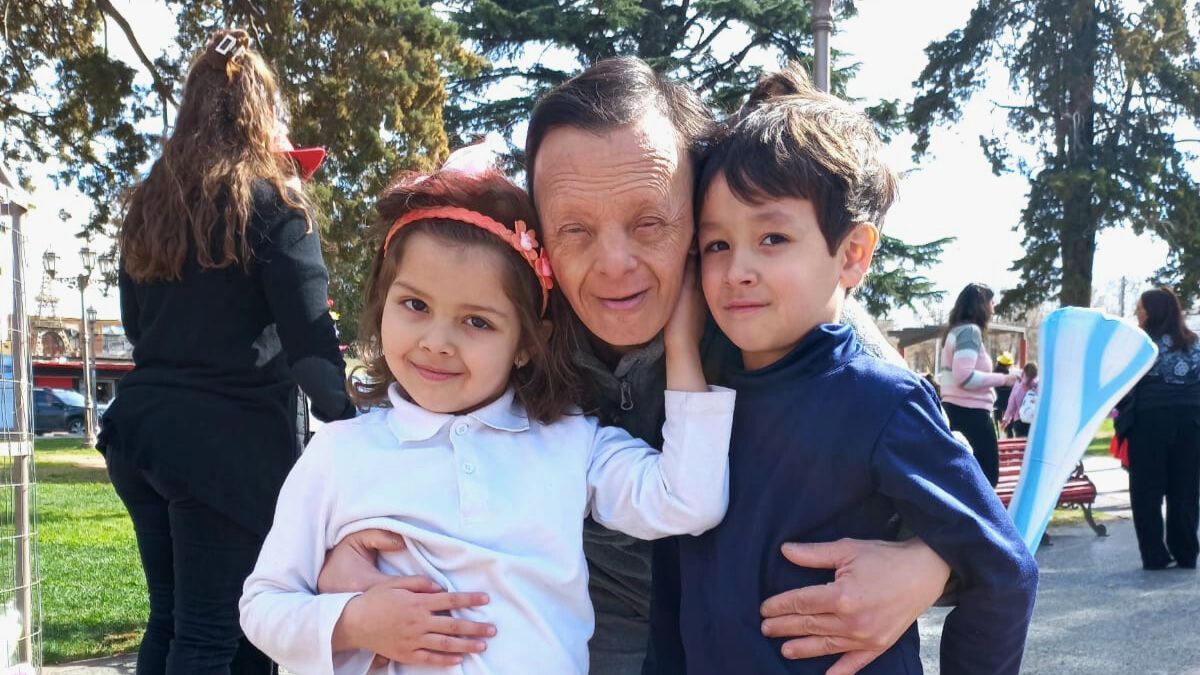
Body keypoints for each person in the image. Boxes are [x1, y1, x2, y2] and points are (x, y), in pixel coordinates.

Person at [318, 57, 955, 675]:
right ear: (538, 237)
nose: (614, 264)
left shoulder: (780, 320)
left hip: (764, 645)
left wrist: (927, 567)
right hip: (574, 643)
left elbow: (955, 483)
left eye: (650, 221)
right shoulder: (506, 328)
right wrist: (345, 560)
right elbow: (404, 447)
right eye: (574, 229)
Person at [239, 165, 736, 673]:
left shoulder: (571, 444)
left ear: (526, 342)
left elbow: (686, 502)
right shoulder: (339, 453)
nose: (437, 340)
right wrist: (356, 622)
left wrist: (681, 345)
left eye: (476, 321)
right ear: (381, 304)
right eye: (415, 304)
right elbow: (263, 606)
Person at [665, 64, 1037, 674]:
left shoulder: (882, 402)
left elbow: (1004, 570)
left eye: (773, 239)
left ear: (853, 254)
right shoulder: (694, 397)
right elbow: (673, 598)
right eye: (716, 245)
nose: (737, 270)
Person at [100, 29, 355, 674]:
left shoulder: (151, 209)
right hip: (225, 445)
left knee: (172, 618)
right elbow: (310, 346)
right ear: (264, 113)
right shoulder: (273, 204)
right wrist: (358, 433)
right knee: (216, 633)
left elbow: (137, 329)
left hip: (141, 432)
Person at [1123, 287, 1200, 570]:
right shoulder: (1194, 344)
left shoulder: (1141, 346)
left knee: (1146, 491)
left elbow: (1123, 385)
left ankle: (1155, 554)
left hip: (1149, 421)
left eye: (1140, 309)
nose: (1137, 314)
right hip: (1191, 423)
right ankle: (1186, 551)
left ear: (1152, 312)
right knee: (1186, 488)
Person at [938, 283, 1020, 486]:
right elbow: (964, 377)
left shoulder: (955, 332)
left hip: (956, 413)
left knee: (964, 483)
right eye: (991, 301)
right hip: (972, 417)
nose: (994, 307)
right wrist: (1004, 379)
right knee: (986, 480)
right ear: (981, 304)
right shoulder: (970, 332)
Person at [1003, 362, 1039, 438]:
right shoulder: (1039, 387)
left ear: (1023, 372)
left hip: (1019, 421)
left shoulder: (1018, 387)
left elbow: (1011, 406)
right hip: (1034, 420)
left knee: (1022, 447)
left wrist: (1006, 419)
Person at [993, 352, 1014, 436]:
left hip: (995, 404)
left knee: (997, 429)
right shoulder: (1008, 376)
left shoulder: (993, 373)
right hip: (1006, 406)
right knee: (1008, 429)